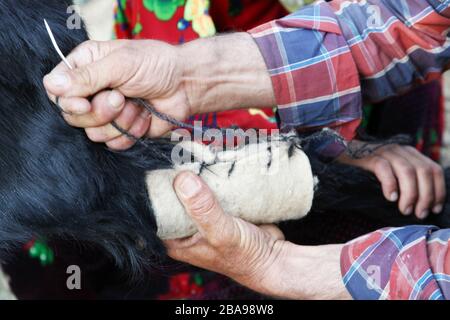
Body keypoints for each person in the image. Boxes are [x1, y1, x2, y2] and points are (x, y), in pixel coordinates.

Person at [44, 0, 450, 299]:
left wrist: (350, 149)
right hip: (241, 180)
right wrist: (187, 78)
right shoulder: (138, 10)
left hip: (310, 178)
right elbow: (405, 22)